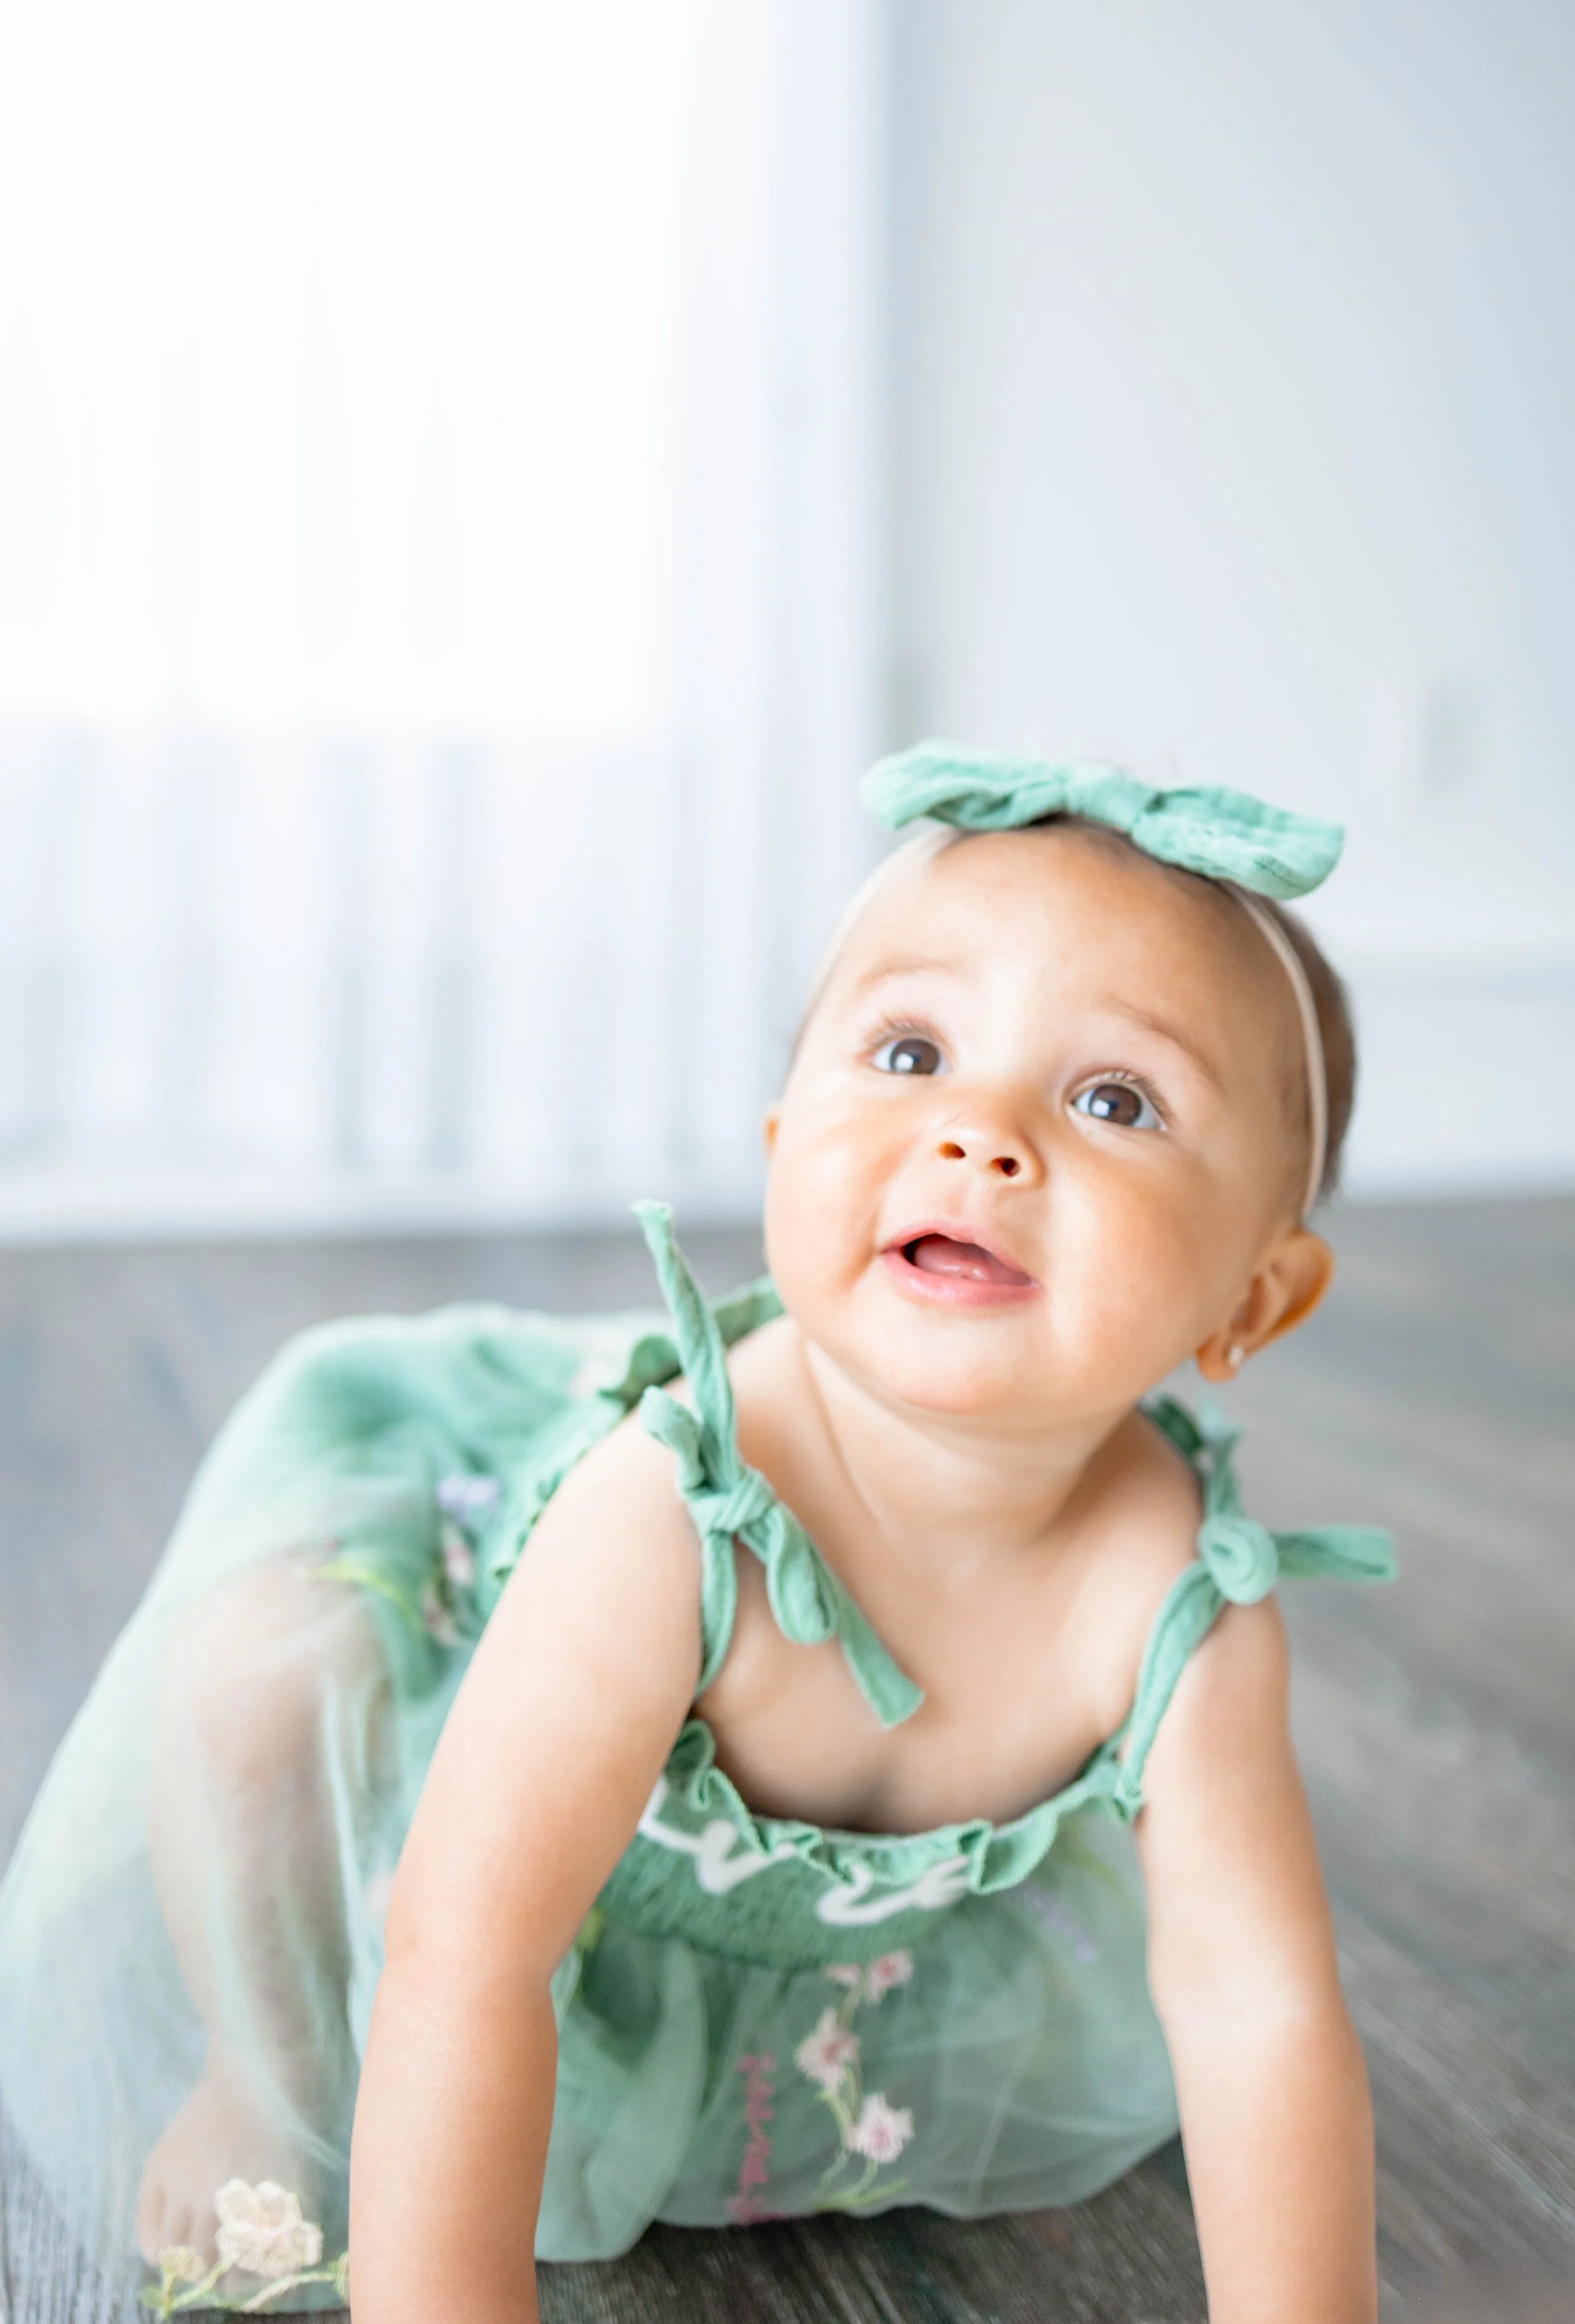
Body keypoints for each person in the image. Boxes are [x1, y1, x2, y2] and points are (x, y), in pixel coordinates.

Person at [0, 746, 1394, 2324]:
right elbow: (462, 1941)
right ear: (781, 1140)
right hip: (459, 1800)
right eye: (911, 1048)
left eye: (1112, 1098)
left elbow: (1255, 2007)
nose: (980, 1133)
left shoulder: (1176, 1603)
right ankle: (254, 2066)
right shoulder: (670, 1513)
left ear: (1250, 1302)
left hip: (824, 1946)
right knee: (257, 1686)